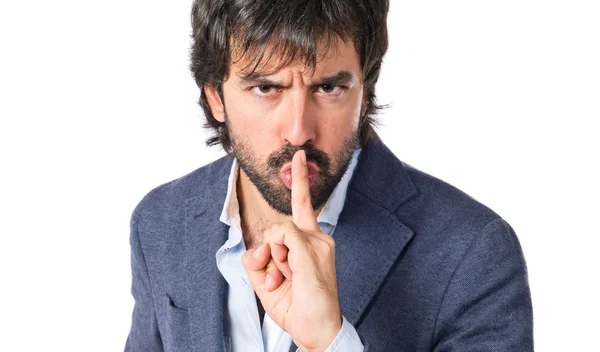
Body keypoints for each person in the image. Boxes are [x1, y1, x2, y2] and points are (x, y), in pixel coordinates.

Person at [125, 0, 533, 351]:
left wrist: (330, 340)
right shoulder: (159, 222)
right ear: (215, 96)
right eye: (266, 89)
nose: (299, 132)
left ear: (366, 90)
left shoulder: (473, 253)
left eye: (329, 88)